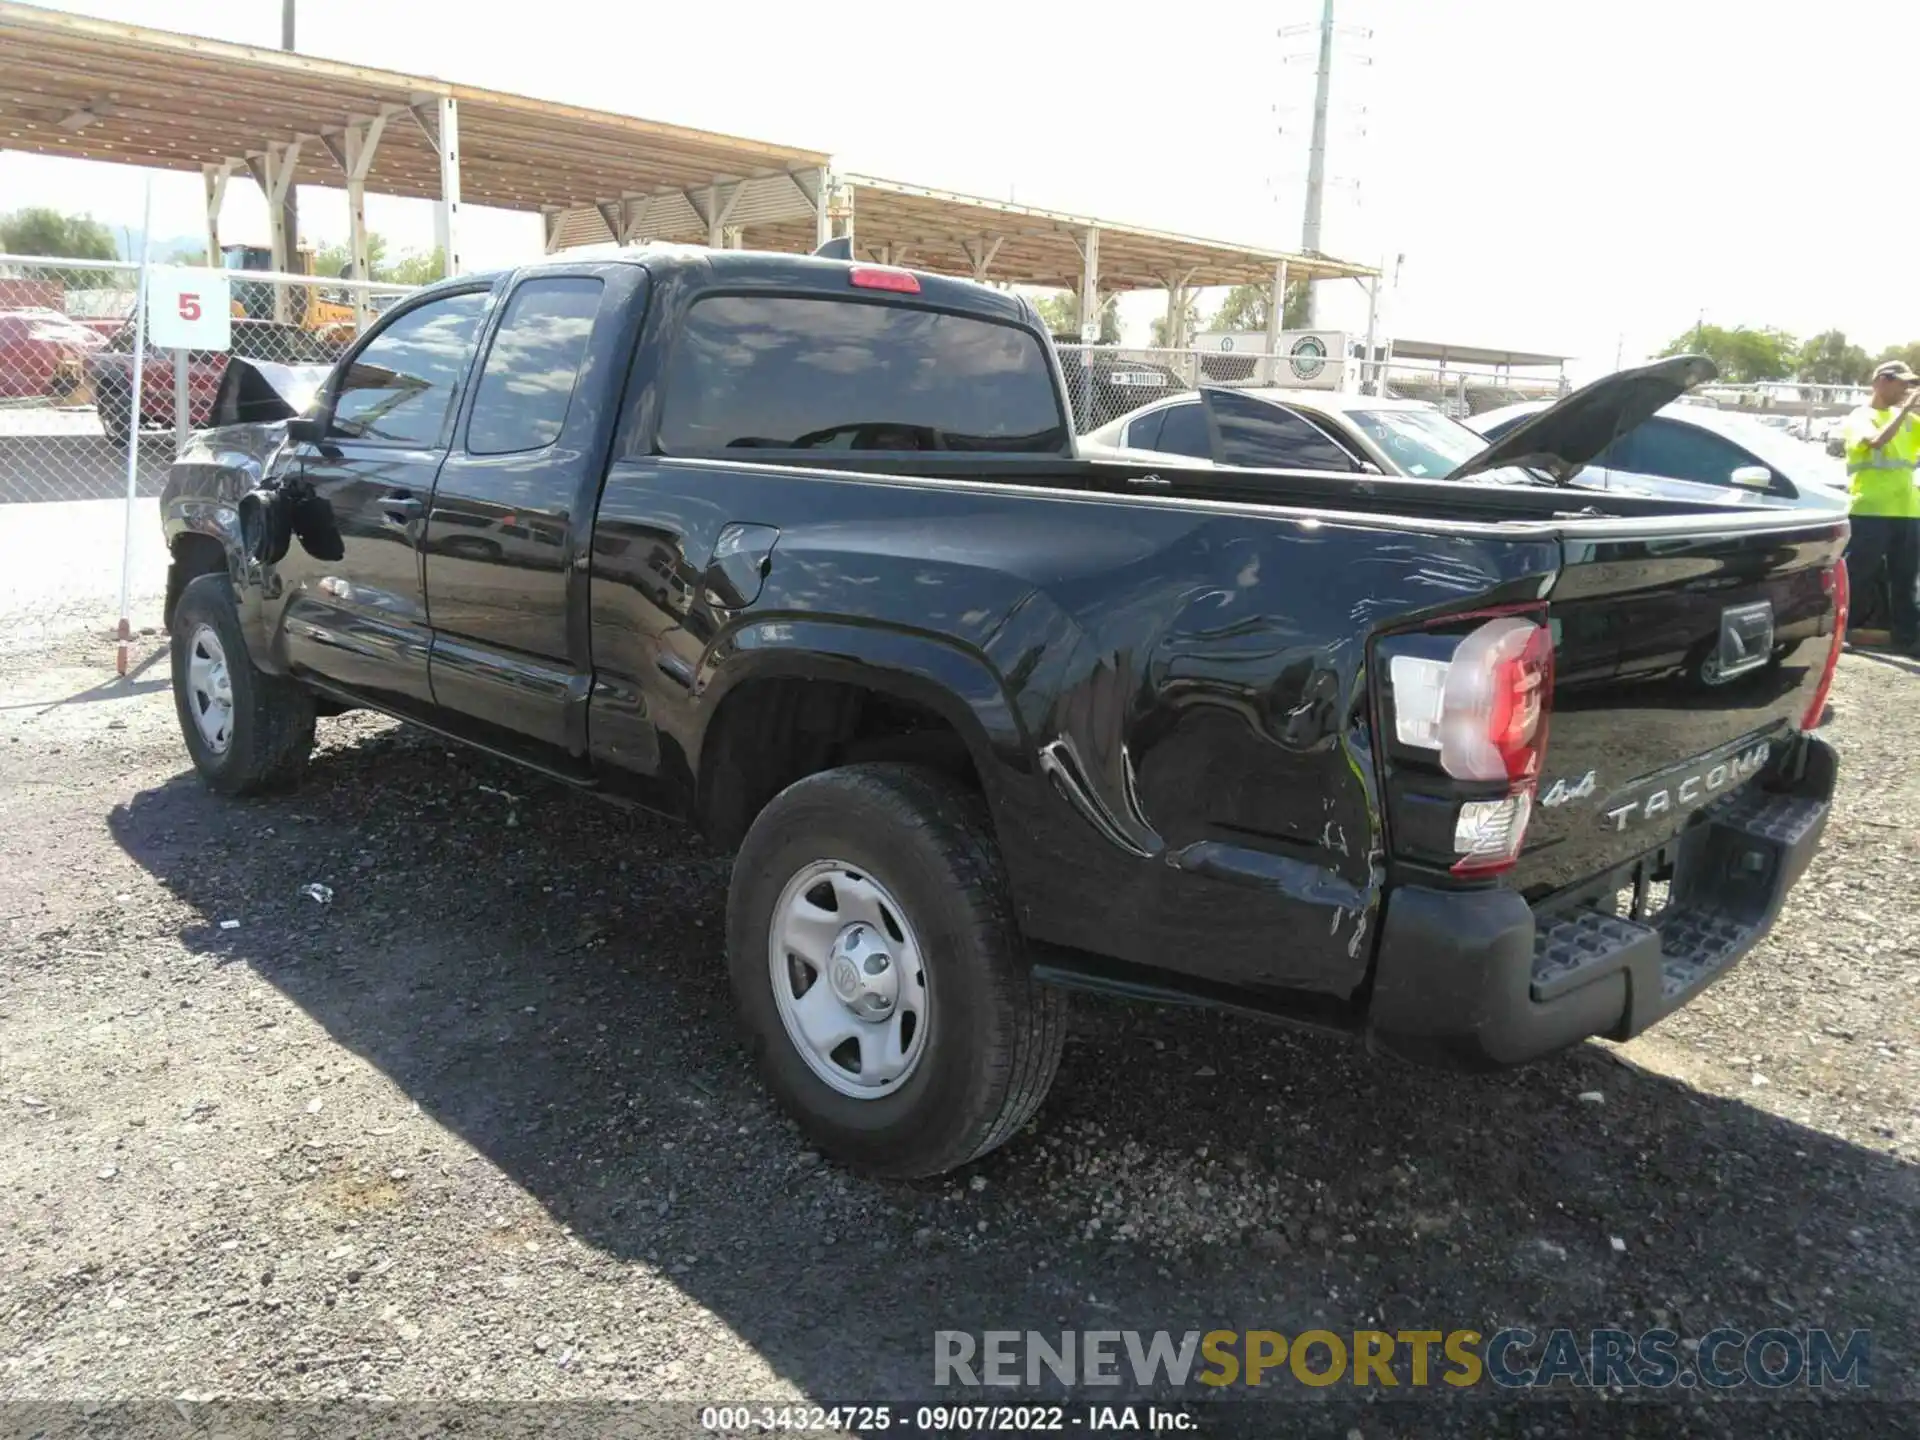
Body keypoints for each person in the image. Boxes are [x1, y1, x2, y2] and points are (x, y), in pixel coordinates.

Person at [1841, 360, 1920, 650]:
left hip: (1909, 511)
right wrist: (1907, 409)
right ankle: (1842, 631)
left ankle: (1907, 639)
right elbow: (1875, 441)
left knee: (1905, 579)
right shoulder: (1860, 416)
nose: (1906, 389)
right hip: (1870, 510)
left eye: (1910, 384)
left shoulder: (1910, 421)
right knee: (1857, 577)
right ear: (1881, 382)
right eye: (1902, 383)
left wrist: (1910, 410)